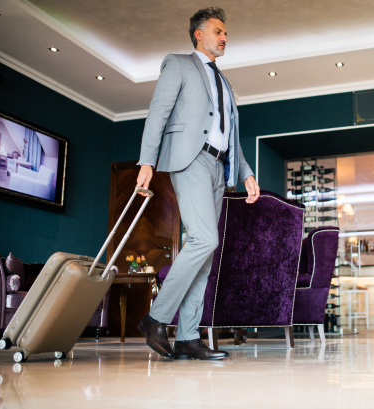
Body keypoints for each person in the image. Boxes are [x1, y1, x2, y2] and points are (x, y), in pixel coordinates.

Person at [135, 7, 260, 360]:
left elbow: (231, 134)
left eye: (226, 34)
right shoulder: (178, 64)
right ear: (199, 34)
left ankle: (189, 337)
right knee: (206, 238)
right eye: (218, 31)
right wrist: (147, 160)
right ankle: (157, 318)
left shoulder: (225, 82)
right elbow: (158, 111)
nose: (224, 38)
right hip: (190, 159)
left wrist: (245, 172)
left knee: (205, 254)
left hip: (219, 168)